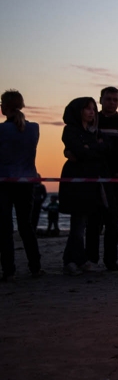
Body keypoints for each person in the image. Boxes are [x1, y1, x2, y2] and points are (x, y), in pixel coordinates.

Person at [59, 97, 109, 275]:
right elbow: (80, 151)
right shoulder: (70, 130)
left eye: (93, 109)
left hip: (92, 179)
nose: (91, 112)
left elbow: (103, 151)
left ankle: (71, 261)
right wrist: (91, 149)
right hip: (76, 180)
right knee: (78, 223)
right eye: (87, 109)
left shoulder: (94, 132)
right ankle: (78, 260)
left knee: (81, 223)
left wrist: (90, 148)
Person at [89, 87, 118, 271]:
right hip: (94, 177)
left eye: (115, 99)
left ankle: (111, 260)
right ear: (100, 100)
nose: (112, 102)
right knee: (93, 221)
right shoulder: (93, 119)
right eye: (108, 99)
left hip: (116, 179)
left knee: (112, 221)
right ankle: (91, 259)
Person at [0, 90, 43, 279]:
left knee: (5, 228)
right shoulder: (34, 128)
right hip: (27, 182)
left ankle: (9, 270)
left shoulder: (2, 130)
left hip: (4, 182)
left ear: (4, 107)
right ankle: (35, 267)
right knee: (26, 226)